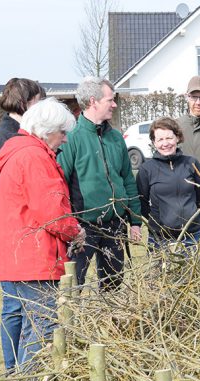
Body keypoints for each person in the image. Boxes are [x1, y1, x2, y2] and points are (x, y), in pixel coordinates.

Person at [0, 98, 83, 381]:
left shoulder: (18, 152)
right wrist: (75, 231)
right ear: (47, 131)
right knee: (41, 327)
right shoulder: (34, 157)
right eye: (62, 132)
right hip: (34, 257)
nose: (65, 139)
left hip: (17, 256)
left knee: (28, 325)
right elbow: (52, 213)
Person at [0, 77, 44, 377]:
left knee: (31, 309)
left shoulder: (26, 134)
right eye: (38, 100)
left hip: (27, 238)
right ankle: (13, 373)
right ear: (25, 102)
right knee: (15, 307)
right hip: (7, 238)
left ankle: (29, 369)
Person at [58, 77, 142, 290]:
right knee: (74, 284)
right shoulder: (72, 139)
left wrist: (134, 220)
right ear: (93, 101)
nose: (114, 104)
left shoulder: (115, 138)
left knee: (114, 285)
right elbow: (61, 186)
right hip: (83, 227)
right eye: (110, 100)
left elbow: (127, 179)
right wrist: (71, 226)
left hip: (115, 225)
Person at [136, 117, 200, 248]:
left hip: (193, 236)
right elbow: (141, 201)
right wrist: (158, 223)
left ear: (177, 138)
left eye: (169, 138)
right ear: (154, 142)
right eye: (160, 139)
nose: (165, 143)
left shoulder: (191, 163)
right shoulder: (146, 169)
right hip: (160, 239)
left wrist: (196, 221)